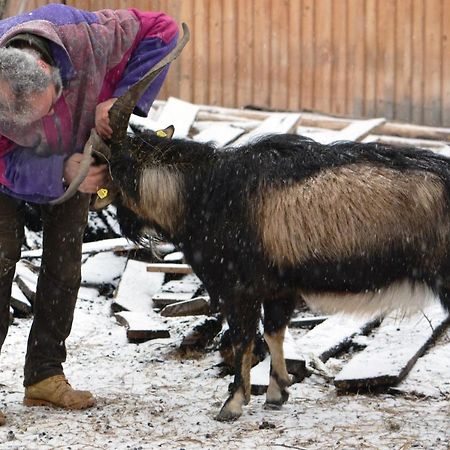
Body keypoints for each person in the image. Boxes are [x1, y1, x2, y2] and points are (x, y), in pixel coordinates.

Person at [0, 4, 179, 425]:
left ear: (51, 71)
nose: (38, 128)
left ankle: (44, 375)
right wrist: (55, 170)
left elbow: (163, 30)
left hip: (80, 152)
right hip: (12, 166)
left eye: (44, 111)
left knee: (63, 266)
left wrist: (122, 100)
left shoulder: (92, 36)